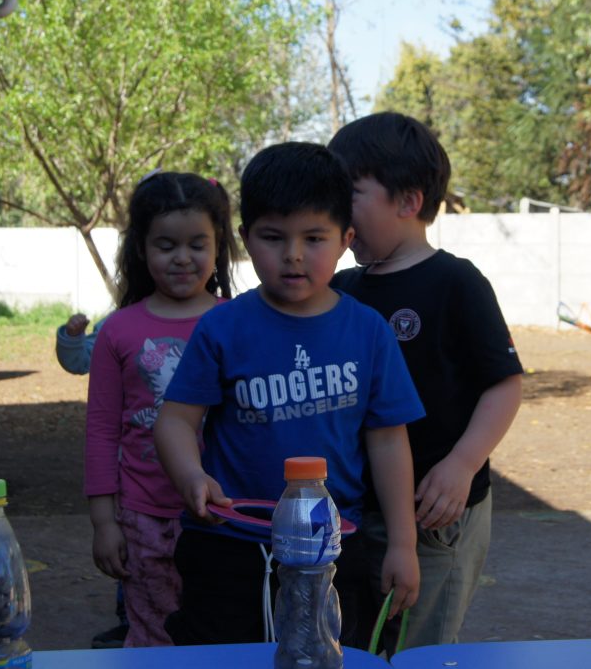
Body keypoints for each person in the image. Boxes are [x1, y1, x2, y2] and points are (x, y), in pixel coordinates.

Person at [154, 142, 424, 649]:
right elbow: (175, 420)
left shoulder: (368, 331)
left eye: (314, 238)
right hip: (229, 544)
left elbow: (389, 440)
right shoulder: (222, 327)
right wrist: (191, 475)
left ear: (345, 240)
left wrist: (403, 544)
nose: (294, 255)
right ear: (244, 239)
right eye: (273, 237)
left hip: (332, 548)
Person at [328, 112, 524, 650]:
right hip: (356, 512)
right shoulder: (342, 288)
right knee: (360, 647)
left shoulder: (456, 282)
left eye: (350, 194)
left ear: (409, 201)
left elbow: (504, 385)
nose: (336, 210)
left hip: (436, 513)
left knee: (420, 649)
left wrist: (462, 464)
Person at [83, 172, 237, 648]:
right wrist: (105, 523)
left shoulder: (237, 321)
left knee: (222, 636)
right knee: (154, 637)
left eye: (197, 244)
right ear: (141, 248)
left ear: (218, 246)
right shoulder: (117, 331)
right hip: (143, 517)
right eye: (166, 245)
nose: (182, 258)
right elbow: (101, 431)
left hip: (226, 517)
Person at [54, 311, 129, 649]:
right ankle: (129, 619)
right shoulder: (115, 326)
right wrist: (72, 338)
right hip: (132, 467)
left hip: (196, 466)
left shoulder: (215, 319)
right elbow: (80, 360)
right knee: (130, 545)